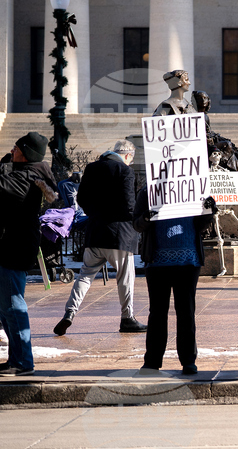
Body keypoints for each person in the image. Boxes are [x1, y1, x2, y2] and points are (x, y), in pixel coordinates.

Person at [54, 140, 147, 336]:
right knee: (125, 278)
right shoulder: (125, 171)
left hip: (95, 231)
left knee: (85, 275)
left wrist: (95, 213)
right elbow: (130, 204)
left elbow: (82, 199)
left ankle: (69, 313)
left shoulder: (92, 167)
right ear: (128, 156)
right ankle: (127, 318)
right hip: (120, 235)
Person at [134, 190, 215, 375]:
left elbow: (202, 227)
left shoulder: (194, 188)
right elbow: (136, 225)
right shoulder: (149, 191)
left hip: (188, 261)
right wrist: (146, 218)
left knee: (186, 311)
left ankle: (188, 361)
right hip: (157, 261)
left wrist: (208, 211)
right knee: (157, 312)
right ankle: (152, 361)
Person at [0, 132, 56, 376]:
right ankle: (16, 359)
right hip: (9, 245)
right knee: (5, 308)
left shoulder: (28, 177)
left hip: (16, 246)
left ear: (26, 153)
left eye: (16, 148)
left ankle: (24, 361)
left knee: (13, 305)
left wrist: (4, 166)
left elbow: (1, 187)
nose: (12, 150)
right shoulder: (23, 171)